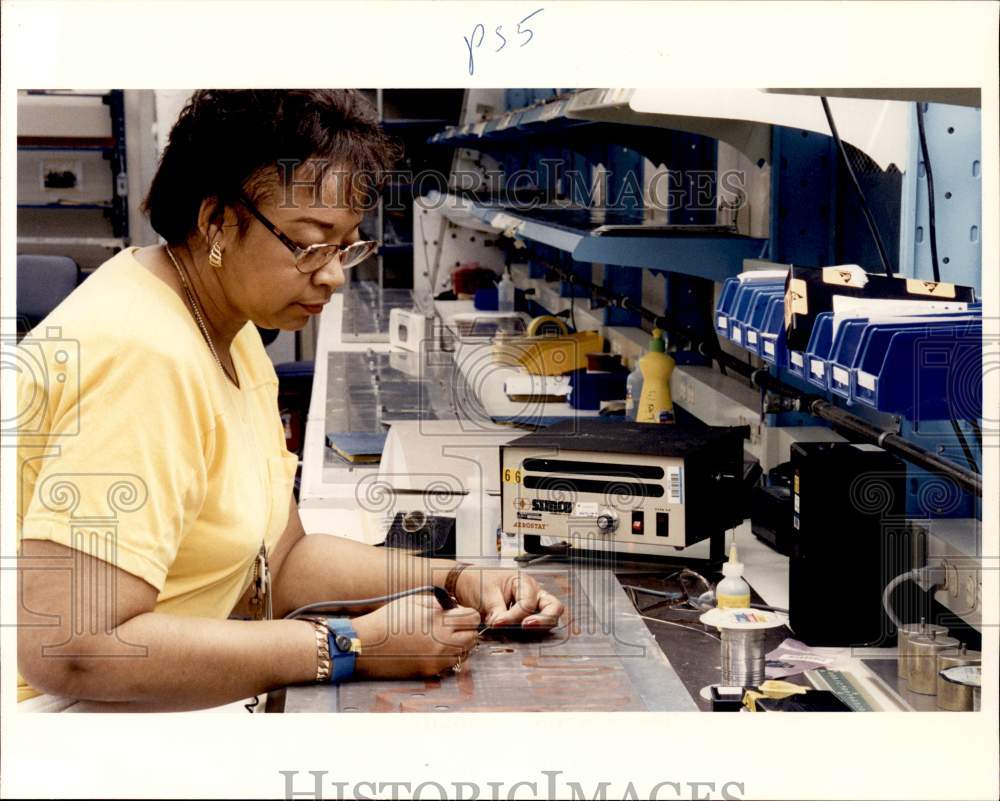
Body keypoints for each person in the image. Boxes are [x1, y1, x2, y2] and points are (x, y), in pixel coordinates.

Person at [16, 89, 564, 712]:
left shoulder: (226, 327)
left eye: (348, 244)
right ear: (217, 221)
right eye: (311, 242)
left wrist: (457, 578)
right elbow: (74, 648)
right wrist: (346, 646)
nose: (333, 273)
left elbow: (282, 560)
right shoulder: (145, 357)